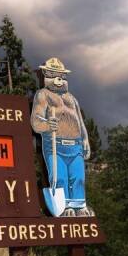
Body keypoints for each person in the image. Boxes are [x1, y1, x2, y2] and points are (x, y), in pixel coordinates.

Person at [31, 57, 94, 217]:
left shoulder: (72, 98)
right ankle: (64, 207)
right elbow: (35, 121)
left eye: (61, 75)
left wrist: (85, 139)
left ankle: (80, 206)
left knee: (78, 177)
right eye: (53, 74)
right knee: (60, 178)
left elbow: (79, 120)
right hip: (55, 144)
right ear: (46, 74)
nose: (58, 79)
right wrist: (46, 125)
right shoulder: (43, 95)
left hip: (76, 145)